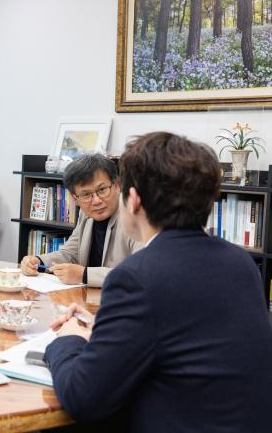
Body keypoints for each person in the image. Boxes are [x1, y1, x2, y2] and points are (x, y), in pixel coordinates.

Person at [44, 132, 272, 432]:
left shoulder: (136, 277)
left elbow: (82, 399)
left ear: (133, 200)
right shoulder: (241, 263)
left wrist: (68, 339)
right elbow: (183, 335)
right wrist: (107, 329)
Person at [20, 154, 141, 286]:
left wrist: (83, 275)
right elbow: (70, 253)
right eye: (86, 194)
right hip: (90, 294)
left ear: (117, 185)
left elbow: (140, 272)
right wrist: (38, 261)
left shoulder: (137, 213)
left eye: (102, 189)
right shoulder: (85, 214)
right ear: (75, 199)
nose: (96, 201)